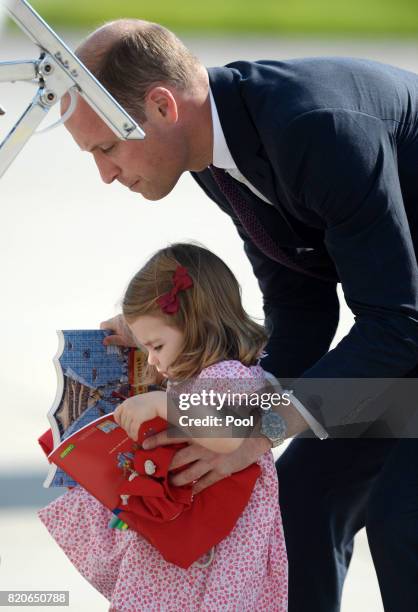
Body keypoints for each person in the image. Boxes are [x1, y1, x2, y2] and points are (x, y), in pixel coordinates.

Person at [62, 19, 418, 612]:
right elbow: (300, 306)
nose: (105, 173)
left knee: (404, 516)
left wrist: (259, 424)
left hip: (405, 321)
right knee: (302, 501)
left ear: (161, 105)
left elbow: (398, 324)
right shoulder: (213, 156)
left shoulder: (313, 128)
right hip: (405, 321)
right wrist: (218, 399)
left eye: (106, 147)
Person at [39, 242, 288, 612]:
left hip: (219, 550)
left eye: (156, 346)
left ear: (195, 325)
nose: (153, 361)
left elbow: (226, 433)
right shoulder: (193, 373)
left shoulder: (232, 375)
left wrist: (162, 404)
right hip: (188, 537)